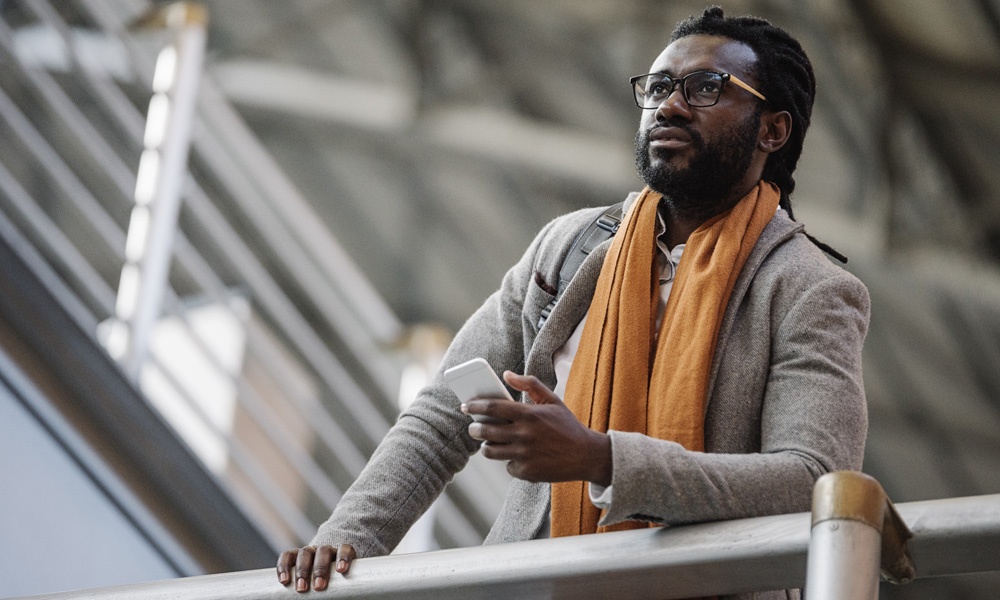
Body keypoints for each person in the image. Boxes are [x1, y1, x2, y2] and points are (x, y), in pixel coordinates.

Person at [277, 7, 869, 598]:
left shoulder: (809, 289)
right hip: (532, 585)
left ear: (772, 131)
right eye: (658, 87)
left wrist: (602, 459)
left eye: (706, 88)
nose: (669, 105)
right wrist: (348, 538)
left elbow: (814, 481)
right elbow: (442, 414)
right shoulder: (569, 245)